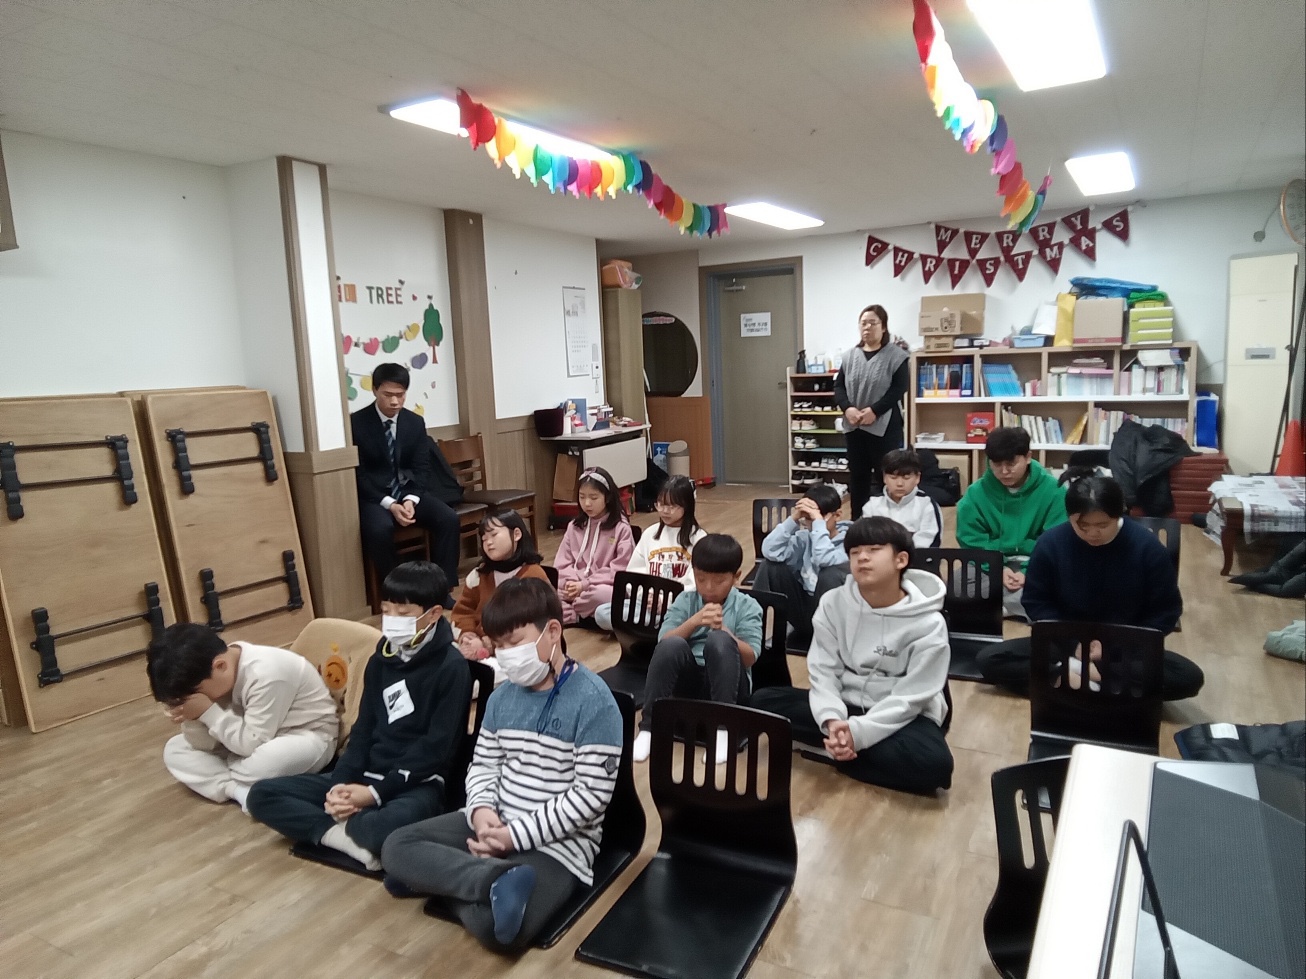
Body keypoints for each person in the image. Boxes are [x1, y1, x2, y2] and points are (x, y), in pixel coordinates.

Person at [379, 578, 622, 954]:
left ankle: (438, 878)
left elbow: (590, 798)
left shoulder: (594, 701)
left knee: (503, 932)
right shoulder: (501, 698)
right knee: (396, 845)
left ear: (552, 632)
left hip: (558, 846)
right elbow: (483, 766)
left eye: (514, 642)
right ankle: (486, 880)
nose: (506, 655)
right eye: (499, 646)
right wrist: (481, 812)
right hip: (491, 824)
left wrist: (515, 837)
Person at [246, 562, 471, 870]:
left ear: (432, 614)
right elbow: (363, 730)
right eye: (386, 611)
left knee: (382, 828)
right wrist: (339, 786)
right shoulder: (381, 660)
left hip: (417, 783)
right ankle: (341, 837)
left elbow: (435, 749)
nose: (391, 621)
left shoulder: (451, 666)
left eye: (403, 614)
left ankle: (346, 827)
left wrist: (374, 794)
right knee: (261, 795)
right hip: (366, 774)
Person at [751, 517, 954, 795]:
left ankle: (835, 753)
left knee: (935, 765)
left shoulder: (929, 622)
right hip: (845, 703)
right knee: (762, 702)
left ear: (901, 559)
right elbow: (824, 671)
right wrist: (832, 720)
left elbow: (913, 695)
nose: (862, 558)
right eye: (855, 552)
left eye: (874, 550)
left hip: (902, 715)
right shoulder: (834, 602)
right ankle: (843, 745)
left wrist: (859, 733)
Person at [976, 471, 1205, 701]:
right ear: (1069, 517)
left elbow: (1165, 611)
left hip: (1124, 649)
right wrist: (1073, 642)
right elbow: (1036, 601)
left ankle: (1074, 679)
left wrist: (1114, 648)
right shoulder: (1050, 544)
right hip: (1066, 642)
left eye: (1102, 525)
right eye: (1082, 525)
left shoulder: (1148, 548)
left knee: (1187, 676)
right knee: (990, 659)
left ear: (1119, 513)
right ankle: (1100, 685)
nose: (1093, 533)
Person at [147, 623, 338, 811]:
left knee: (268, 761)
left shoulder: (267, 672)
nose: (199, 700)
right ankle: (238, 790)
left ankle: (227, 780)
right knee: (174, 749)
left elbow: (251, 743)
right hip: (241, 740)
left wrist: (207, 711)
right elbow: (203, 744)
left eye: (197, 695)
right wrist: (193, 718)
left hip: (305, 736)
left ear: (220, 666)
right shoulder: (217, 676)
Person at [633, 534, 763, 763]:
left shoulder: (747, 606)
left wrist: (724, 631)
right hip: (691, 683)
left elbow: (750, 657)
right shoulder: (686, 600)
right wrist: (694, 621)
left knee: (719, 640)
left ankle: (723, 732)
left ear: (736, 577)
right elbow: (663, 643)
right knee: (672, 644)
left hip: (731, 687)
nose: (709, 587)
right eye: (701, 579)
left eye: (719, 581)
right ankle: (649, 729)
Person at [352, 362, 461, 597]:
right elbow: (359, 475)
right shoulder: (357, 423)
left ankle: (443, 589)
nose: (395, 402)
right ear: (374, 390)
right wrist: (390, 504)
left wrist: (411, 499)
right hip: (376, 497)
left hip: (408, 492)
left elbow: (422, 467)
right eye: (388, 395)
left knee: (448, 518)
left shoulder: (414, 422)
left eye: (400, 395)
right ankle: (399, 593)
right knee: (379, 529)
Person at [955, 427, 1066, 620]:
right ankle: (1023, 607)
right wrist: (999, 569)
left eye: (1011, 464)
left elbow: (1056, 541)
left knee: (1067, 582)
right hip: (991, 562)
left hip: (1037, 562)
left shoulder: (1054, 491)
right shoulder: (976, 493)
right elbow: (971, 540)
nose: (1004, 471)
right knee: (957, 585)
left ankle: (993, 606)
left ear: (1028, 457)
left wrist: (1027, 571)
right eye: (997, 464)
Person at [594, 474, 706, 631]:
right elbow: (634, 573)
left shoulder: (699, 538)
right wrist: (646, 597)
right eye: (661, 504)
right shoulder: (650, 533)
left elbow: (696, 583)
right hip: (646, 603)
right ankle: (663, 627)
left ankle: (657, 626)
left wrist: (667, 602)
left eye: (672, 506)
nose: (665, 511)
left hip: (678, 604)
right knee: (602, 612)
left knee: (689, 612)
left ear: (687, 506)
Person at [752, 482, 851, 650]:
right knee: (770, 565)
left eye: (817, 518)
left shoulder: (851, 542)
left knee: (829, 574)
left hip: (834, 619)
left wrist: (818, 523)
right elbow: (769, 550)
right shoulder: (805, 538)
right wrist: (794, 518)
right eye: (808, 518)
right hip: (804, 610)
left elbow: (824, 559)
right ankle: (753, 629)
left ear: (837, 515)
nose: (812, 523)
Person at [836, 304, 911, 516]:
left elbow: (899, 389)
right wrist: (847, 408)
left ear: (883, 327)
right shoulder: (849, 356)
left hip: (885, 427)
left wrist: (875, 411)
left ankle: (886, 521)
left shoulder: (897, 356)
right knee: (858, 476)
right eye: (863, 323)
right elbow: (839, 387)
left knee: (885, 476)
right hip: (855, 427)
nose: (867, 327)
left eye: (873, 323)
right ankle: (857, 522)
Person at [452, 509, 552, 663]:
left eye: (494, 535)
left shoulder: (533, 576)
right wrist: (468, 635)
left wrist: (489, 643)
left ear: (516, 534)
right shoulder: (479, 575)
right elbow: (462, 612)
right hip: (478, 648)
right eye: (484, 539)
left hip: (519, 655)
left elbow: (530, 625)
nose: (488, 542)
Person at [554, 467, 635, 625]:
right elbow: (562, 562)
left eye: (594, 497)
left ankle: (572, 615)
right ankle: (582, 615)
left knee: (602, 594)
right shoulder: (574, 526)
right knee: (542, 591)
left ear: (607, 497)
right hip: (574, 587)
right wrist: (571, 583)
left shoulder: (621, 528)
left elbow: (620, 570)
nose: (587, 503)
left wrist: (584, 585)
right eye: (582, 497)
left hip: (601, 587)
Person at [860, 448, 942, 549]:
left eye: (906, 478)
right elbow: (866, 538)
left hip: (917, 557)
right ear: (884, 477)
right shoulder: (872, 504)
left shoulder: (926, 504)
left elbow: (929, 539)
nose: (899, 484)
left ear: (917, 478)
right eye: (893, 477)